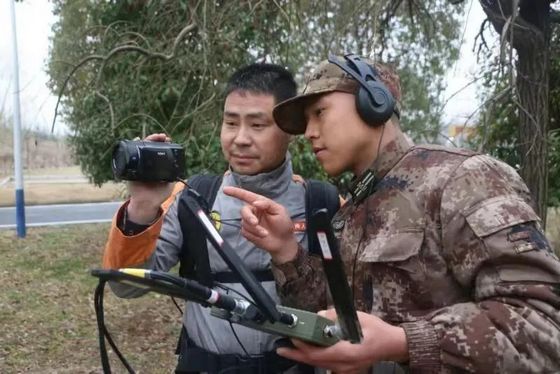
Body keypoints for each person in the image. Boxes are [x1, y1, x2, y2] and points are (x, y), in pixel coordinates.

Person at [224, 54, 560, 373]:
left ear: (373, 104)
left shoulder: (462, 180)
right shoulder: (353, 208)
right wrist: (286, 251)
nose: (309, 132)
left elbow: (543, 329)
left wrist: (404, 343)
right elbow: (339, 317)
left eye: (320, 112)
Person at [102, 63, 340, 374]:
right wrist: (142, 208)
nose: (240, 139)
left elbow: (346, 313)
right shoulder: (192, 199)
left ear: (290, 130)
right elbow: (126, 287)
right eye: (230, 123)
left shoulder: (321, 203)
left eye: (257, 125)